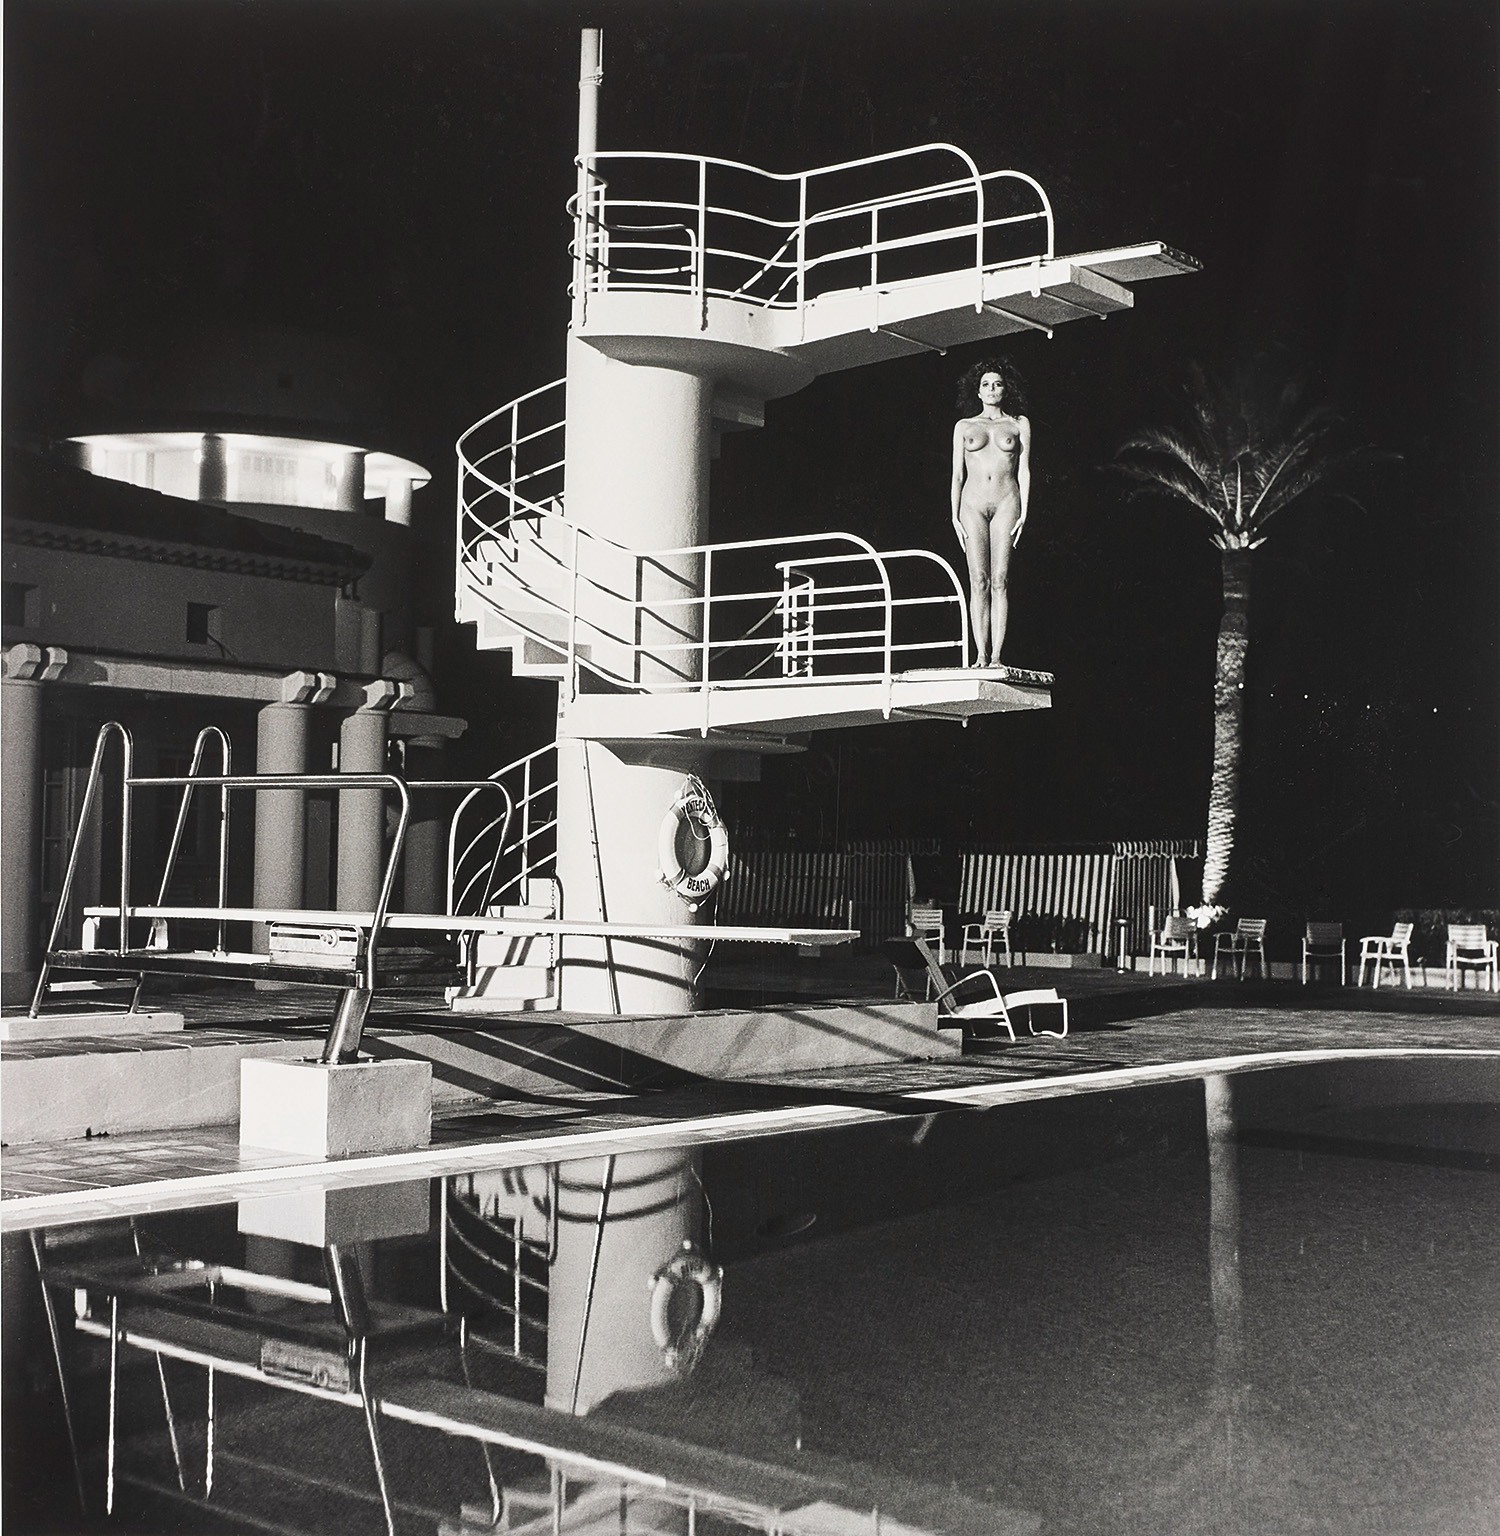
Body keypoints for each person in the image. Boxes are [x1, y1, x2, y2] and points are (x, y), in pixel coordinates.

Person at [950, 358, 1030, 668]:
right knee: (978, 580)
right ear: (978, 391)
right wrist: (954, 515)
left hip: (1006, 502)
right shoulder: (965, 426)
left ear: (1005, 388)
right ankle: (980, 654)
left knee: (1000, 580)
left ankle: (997, 656)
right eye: (986, 385)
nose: (992, 389)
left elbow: (1024, 470)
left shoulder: (1018, 424)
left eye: (997, 384)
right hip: (972, 504)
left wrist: (1025, 509)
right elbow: (957, 474)